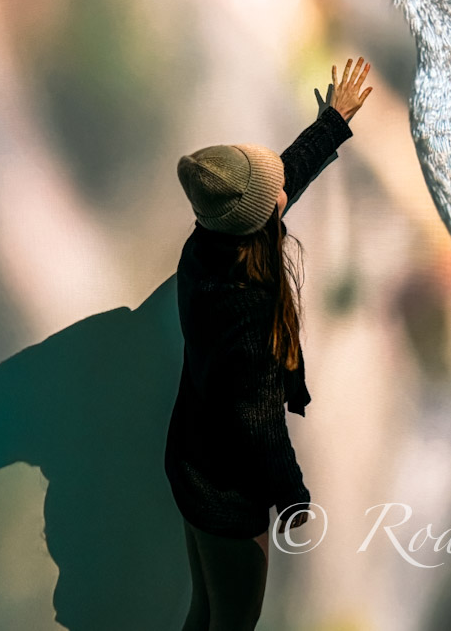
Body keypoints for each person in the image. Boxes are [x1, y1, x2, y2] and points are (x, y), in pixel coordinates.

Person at [165, 58, 373, 631]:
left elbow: (279, 179)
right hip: (230, 496)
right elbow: (260, 424)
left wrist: (333, 121)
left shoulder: (208, 248)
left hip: (191, 464)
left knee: (202, 613)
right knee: (231, 623)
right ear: (265, 218)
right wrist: (294, 496)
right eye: (275, 192)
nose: (285, 185)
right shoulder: (248, 312)